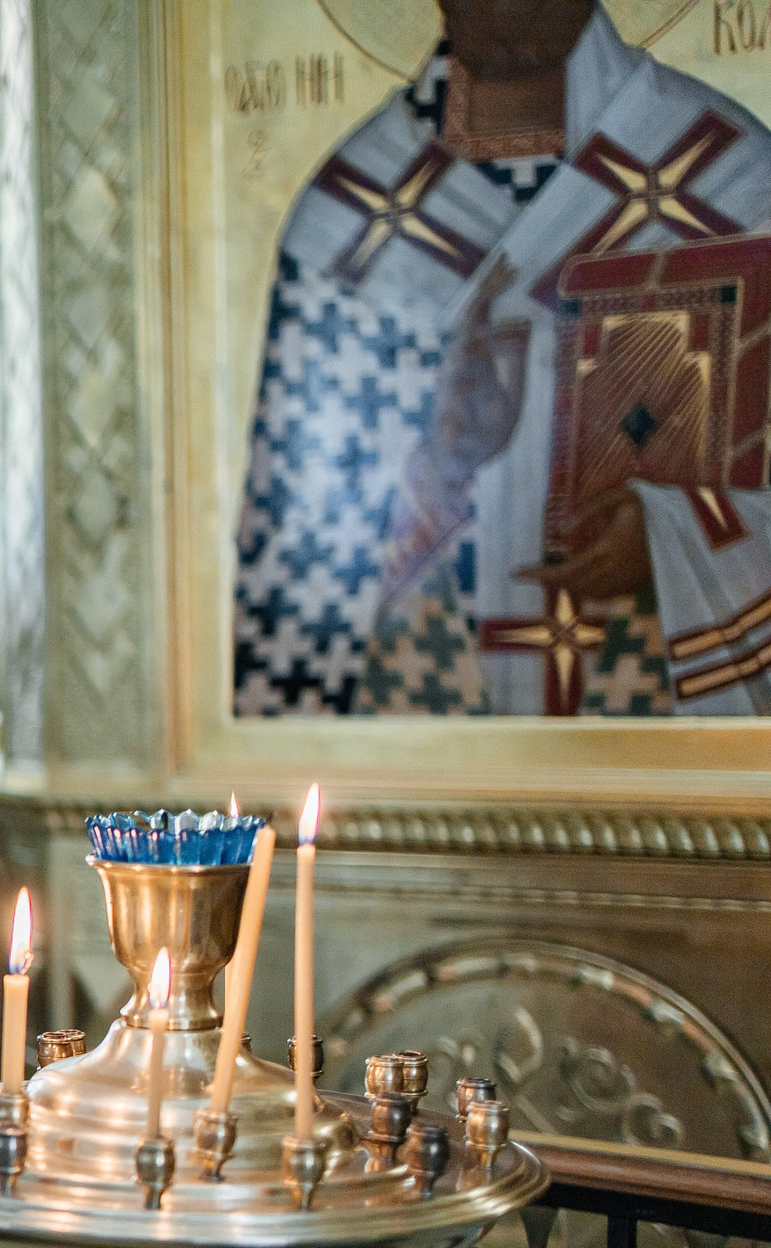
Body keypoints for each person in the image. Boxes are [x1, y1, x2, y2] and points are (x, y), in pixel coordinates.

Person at [232, 0, 771, 717]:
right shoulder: (348, 227)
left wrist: (665, 537)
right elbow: (288, 582)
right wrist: (441, 465)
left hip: (649, 723)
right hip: (430, 723)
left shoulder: (732, 182)